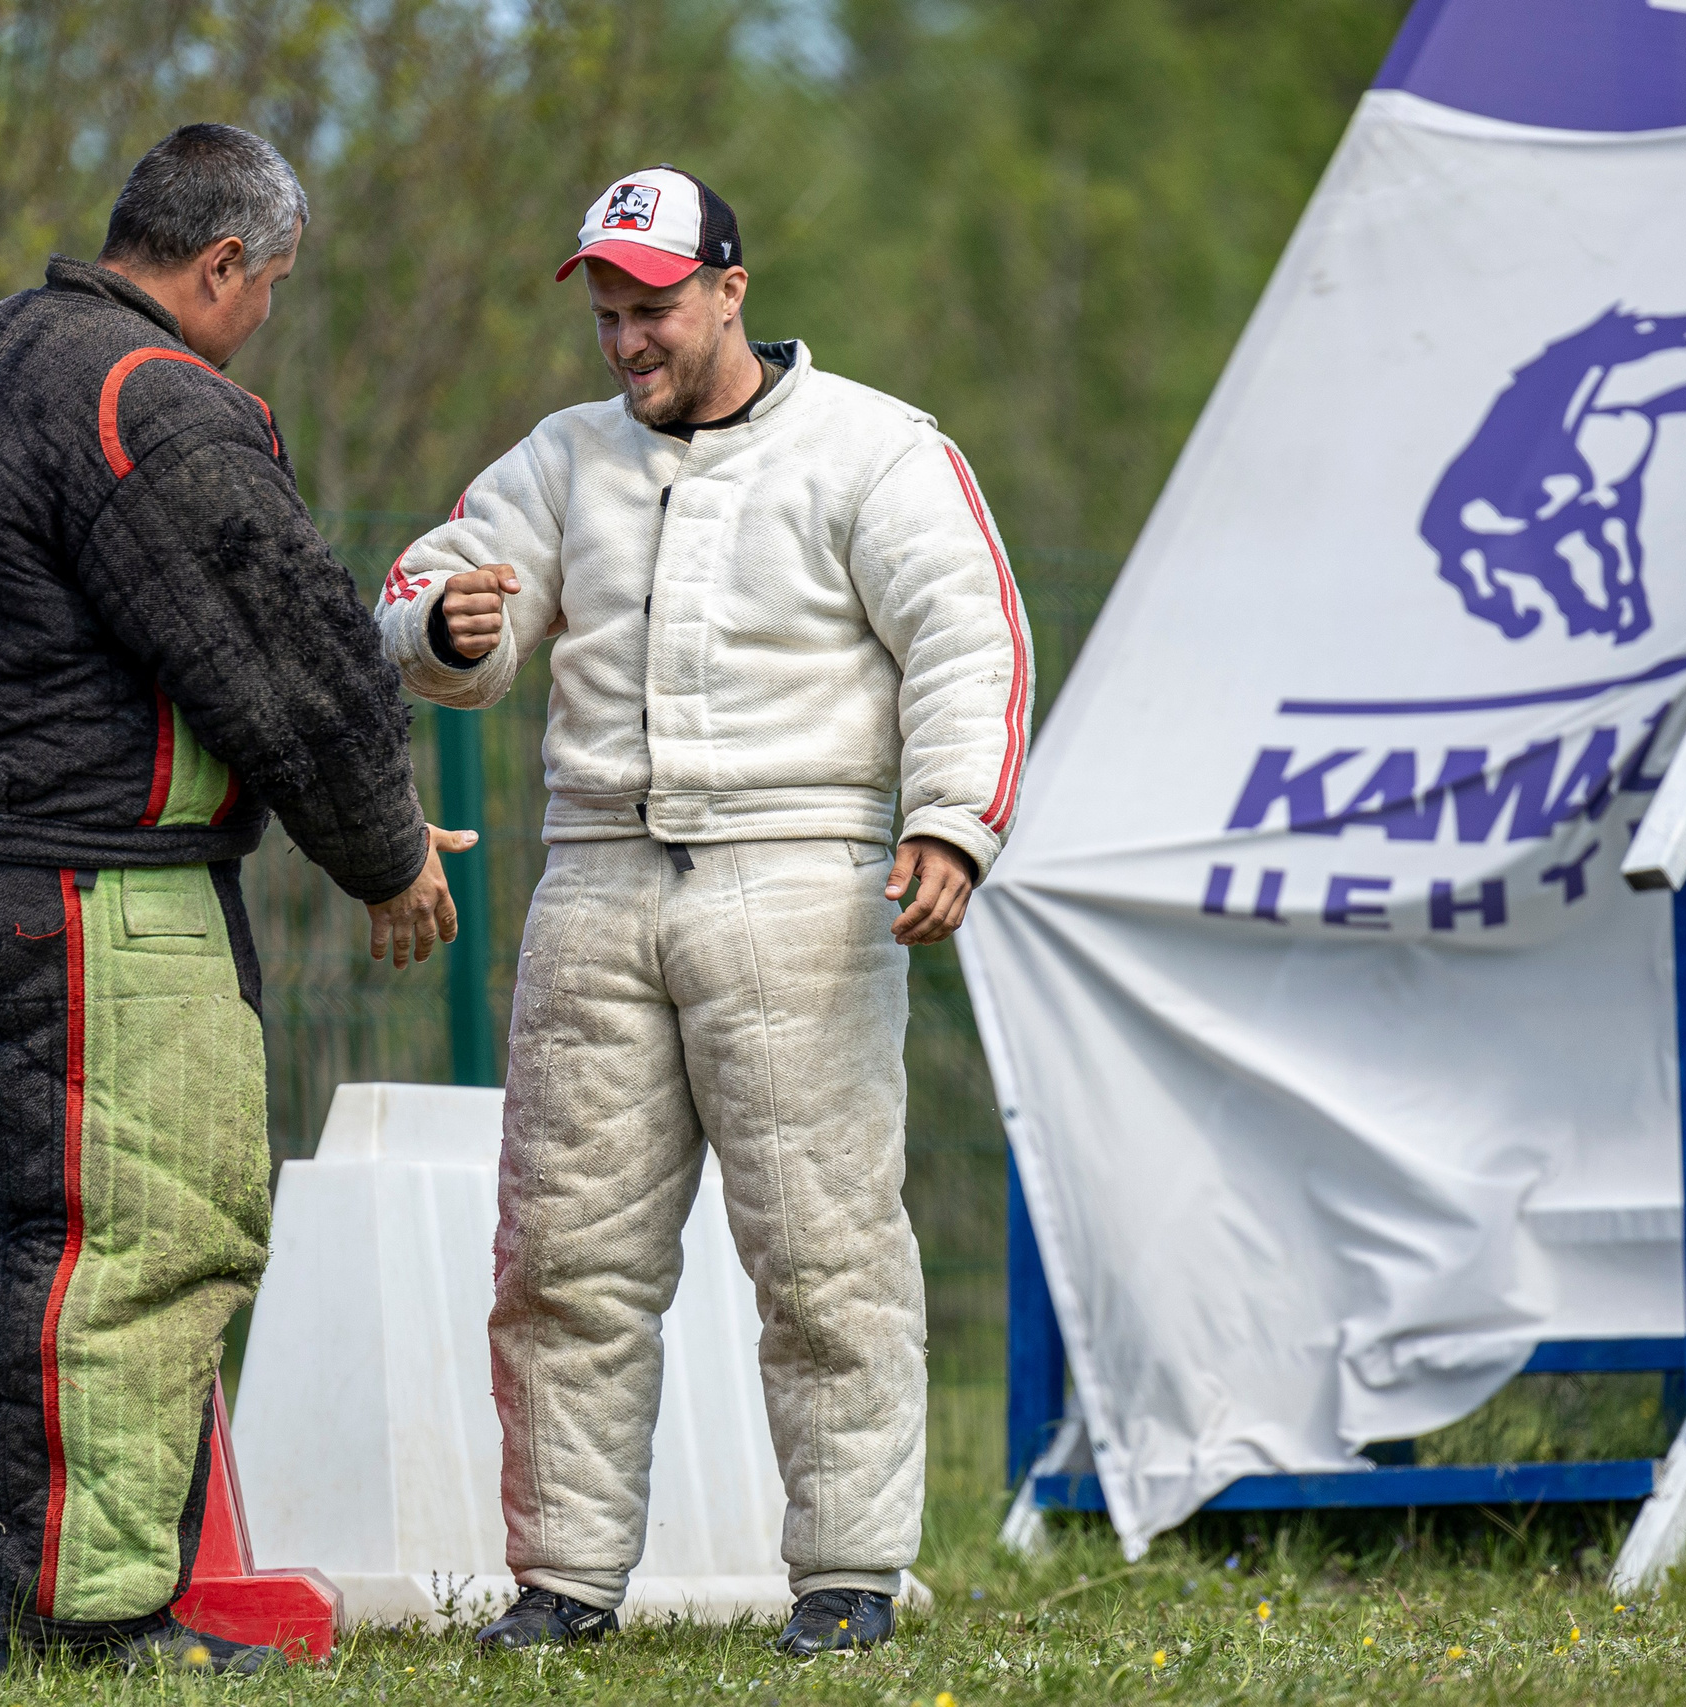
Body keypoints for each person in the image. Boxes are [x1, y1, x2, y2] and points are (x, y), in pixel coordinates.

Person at [376, 165, 1031, 1655]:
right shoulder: (560, 462)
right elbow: (426, 594)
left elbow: (971, 637)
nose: (626, 341)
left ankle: (851, 1575)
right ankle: (563, 1582)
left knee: (823, 1252)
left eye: (654, 308)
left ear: (733, 291)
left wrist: (951, 823)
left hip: (802, 882)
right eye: (607, 313)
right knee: (561, 1259)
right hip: (596, 880)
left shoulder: (877, 451)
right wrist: (442, 626)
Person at [0, 122, 466, 1674]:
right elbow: (289, 654)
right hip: (90, 895)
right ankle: (101, 1620)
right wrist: (386, 848)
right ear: (217, 265)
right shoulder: (150, 399)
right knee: (142, 1240)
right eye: (267, 285)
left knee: (4, 1244)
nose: (263, 312)